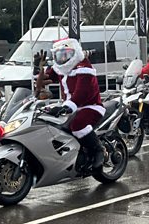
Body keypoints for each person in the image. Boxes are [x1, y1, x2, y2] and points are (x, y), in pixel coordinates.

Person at [35, 37, 106, 171]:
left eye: (66, 54)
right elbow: (45, 79)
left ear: (75, 53)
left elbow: (82, 92)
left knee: (77, 124)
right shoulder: (60, 68)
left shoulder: (84, 67)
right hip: (68, 106)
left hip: (89, 106)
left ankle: (98, 150)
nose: (63, 58)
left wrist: (67, 107)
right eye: (59, 55)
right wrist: (38, 68)